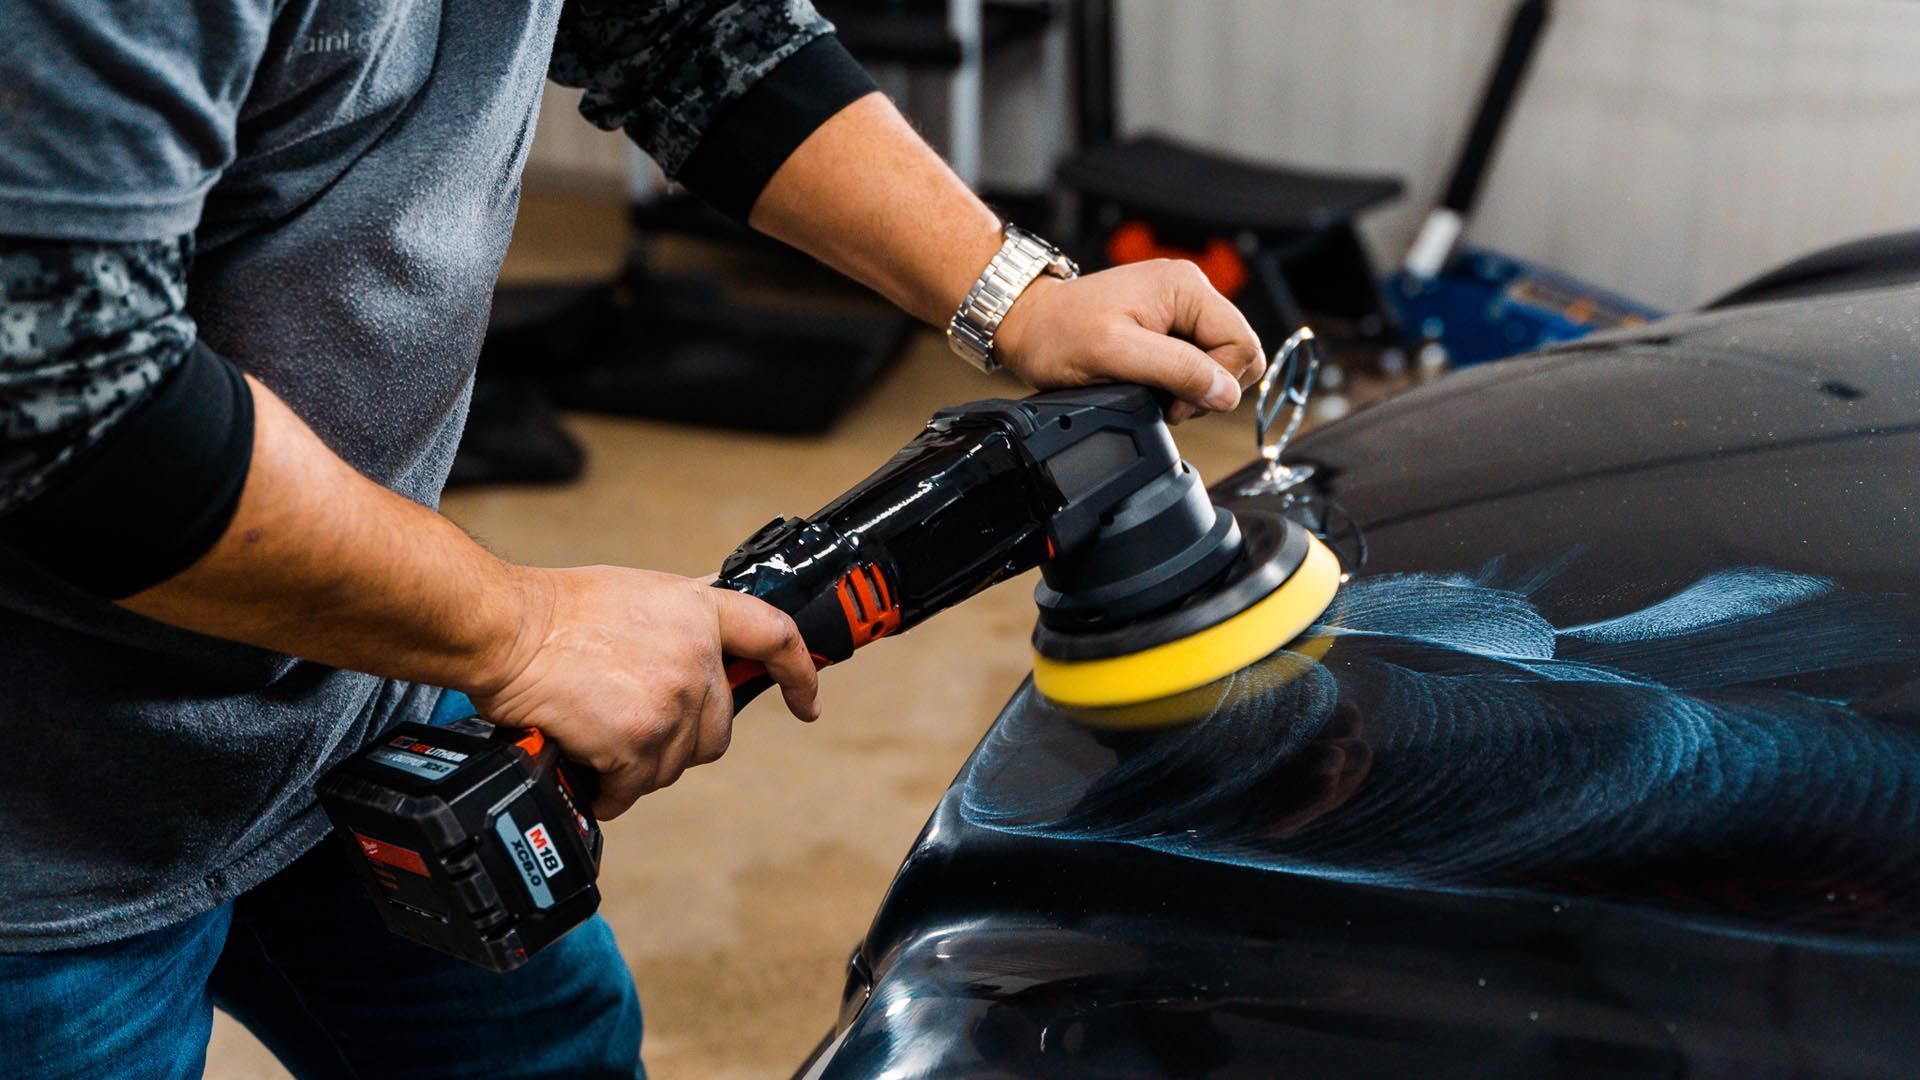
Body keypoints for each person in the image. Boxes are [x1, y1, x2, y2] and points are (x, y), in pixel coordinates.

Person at [0, 1, 1264, 1076]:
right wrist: (519, 627)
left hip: (352, 669)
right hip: (39, 831)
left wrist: (1014, 296)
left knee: (557, 1048)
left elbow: (682, 27)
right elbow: (64, 396)